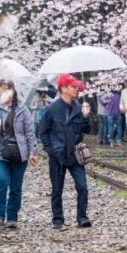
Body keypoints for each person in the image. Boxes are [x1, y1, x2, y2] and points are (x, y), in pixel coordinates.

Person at [37, 74, 93, 229]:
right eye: (73, 86)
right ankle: (58, 219)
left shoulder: (78, 107)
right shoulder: (52, 110)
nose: (76, 89)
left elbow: (87, 129)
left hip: (75, 154)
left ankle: (82, 217)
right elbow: (42, 131)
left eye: (76, 86)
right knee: (57, 189)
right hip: (58, 155)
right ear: (63, 88)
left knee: (82, 186)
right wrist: (51, 150)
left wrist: (86, 116)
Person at [0, 79, 38, 229]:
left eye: (8, 89)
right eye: (2, 89)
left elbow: (30, 132)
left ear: (14, 91)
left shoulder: (22, 109)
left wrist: (33, 151)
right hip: (0, 152)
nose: (5, 92)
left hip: (20, 153)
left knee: (16, 186)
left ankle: (12, 216)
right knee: (1, 181)